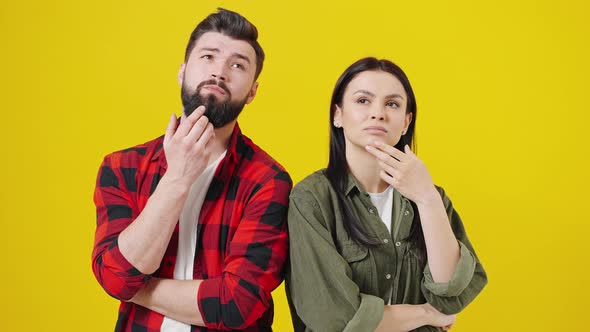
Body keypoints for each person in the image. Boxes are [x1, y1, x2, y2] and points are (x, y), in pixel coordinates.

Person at [92, 8, 292, 332]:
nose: (220, 72)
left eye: (238, 65)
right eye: (208, 57)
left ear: (253, 91)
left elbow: (236, 304)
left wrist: (132, 287)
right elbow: (117, 274)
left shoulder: (268, 182)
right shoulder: (122, 167)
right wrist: (178, 178)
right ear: (183, 71)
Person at [286, 57, 487, 332]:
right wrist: (426, 313)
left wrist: (427, 199)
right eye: (362, 101)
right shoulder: (311, 200)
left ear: (406, 122)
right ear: (338, 114)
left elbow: (451, 292)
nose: (378, 113)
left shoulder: (432, 198)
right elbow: (335, 318)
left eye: (392, 104)